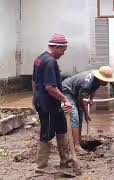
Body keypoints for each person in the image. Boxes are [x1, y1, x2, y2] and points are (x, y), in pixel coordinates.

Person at [32, 33, 73, 171]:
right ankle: (41, 166)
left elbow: (34, 81)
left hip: (49, 103)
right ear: (56, 47)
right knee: (47, 134)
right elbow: (50, 87)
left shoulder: (39, 59)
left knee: (62, 129)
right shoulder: (50, 62)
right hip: (48, 105)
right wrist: (65, 99)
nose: (63, 54)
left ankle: (66, 161)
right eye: (63, 50)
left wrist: (36, 96)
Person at [62, 66, 114, 154]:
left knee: (80, 117)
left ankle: (79, 141)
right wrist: (86, 113)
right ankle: (76, 146)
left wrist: (91, 99)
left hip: (76, 91)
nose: (107, 82)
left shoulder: (97, 80)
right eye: (106, 80)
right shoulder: (87, 85)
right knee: (75, 116)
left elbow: (94, 88)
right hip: (66, 91)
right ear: (100, 78)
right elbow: (81, 100)